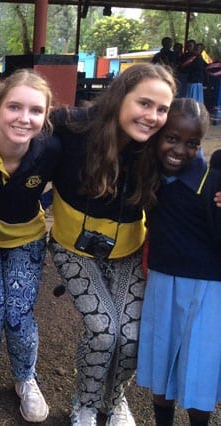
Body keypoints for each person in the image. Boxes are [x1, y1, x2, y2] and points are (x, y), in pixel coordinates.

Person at [0, 63, 176, 426]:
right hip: (60, 245)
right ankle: (12, 393)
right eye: (143, 103)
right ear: (121, 96)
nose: (152, 116)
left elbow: (193, 157)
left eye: (161, 109)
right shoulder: (76, 127)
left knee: (128, 335)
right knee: (2, 311)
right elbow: (27, 117)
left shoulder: (159, 143)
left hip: (120, 246)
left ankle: (104, 395)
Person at [0, 69, 58, 425]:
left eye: (35, 110)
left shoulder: (51, 148)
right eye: (14, 107)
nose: (24, 117)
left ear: (46, 116)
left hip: (27, 236)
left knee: (18, 315)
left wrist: (43, 201)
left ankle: (25, 379)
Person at [135, 99, 219, 426]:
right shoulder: (148, 171)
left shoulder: (212, 183)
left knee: (199, 369)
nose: (180, 150)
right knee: (162, 361)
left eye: (192, 143)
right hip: (161, 279)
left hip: (207, 287)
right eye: (171, 138)